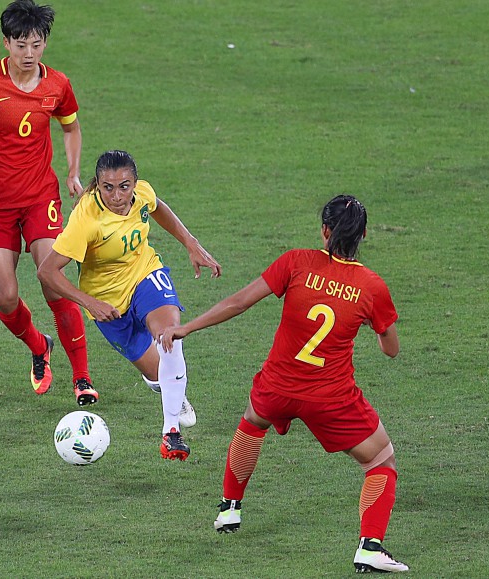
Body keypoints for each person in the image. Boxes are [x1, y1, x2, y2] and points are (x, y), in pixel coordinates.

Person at [159, 195, 408, 572]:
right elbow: (391, 349)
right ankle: (370, 546)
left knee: (252, 421)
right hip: (331, 399)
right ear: (364, 235)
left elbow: (240, 302)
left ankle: (229, 509)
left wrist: (186, 328)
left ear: (324, 231)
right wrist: (377, 327)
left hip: (277, 386)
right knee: (380, 459)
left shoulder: (296, 262)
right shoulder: (371, 286)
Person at [0, 0, 96, 406]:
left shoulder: (57, 85)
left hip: (40, 197)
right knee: (5, 297)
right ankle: (39, 345)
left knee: (53, 280)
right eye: (21, 45)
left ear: (45, 44)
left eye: (37, 45)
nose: (29, 54)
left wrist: (73, 171)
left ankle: (82, 378)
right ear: (6, 42)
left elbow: (72, 127)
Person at [38, 150, 221, 460]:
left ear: (135, 183)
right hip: (107, 302)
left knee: (170, 337)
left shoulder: (142, 194)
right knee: (158, 374)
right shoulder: (86, 219)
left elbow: (158, 207)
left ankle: (170, 432)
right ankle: (170, 391)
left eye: (125, 186)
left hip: (145, 274)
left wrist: (191, 243)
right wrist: (90, 303)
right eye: (108, 187)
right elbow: (47, 271)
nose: (118, 195)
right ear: (97, 184)